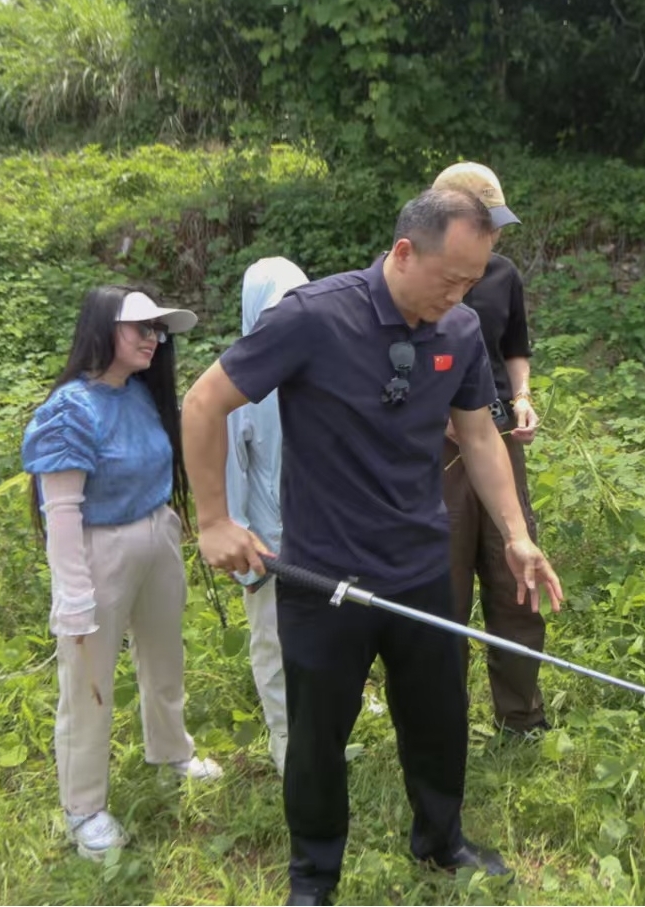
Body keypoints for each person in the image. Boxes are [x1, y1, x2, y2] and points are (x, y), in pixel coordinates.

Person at [180, 188, 563, 907]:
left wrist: (516, 535)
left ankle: (442, 842)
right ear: (404, 252)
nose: (460, 295)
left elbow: (479, 435)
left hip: (420, 565)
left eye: (472, 281)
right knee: (317, 737)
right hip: (323, 575)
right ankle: (314, 877)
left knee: (438, 720)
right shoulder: (313, 317)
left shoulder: (459, 330)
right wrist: (213, 519)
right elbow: (204, 401)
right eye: (450, 278)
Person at [21, 285, 223, 862]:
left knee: (165, 657)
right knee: (89, 683)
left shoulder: (141, 394)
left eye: (157, 329)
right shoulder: (71, 410)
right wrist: (73, 594)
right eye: (140, 328)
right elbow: (61, 509)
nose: (152, 339)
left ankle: (171, 750)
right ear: (103, 328)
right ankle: (83, 807)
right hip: (100, 549)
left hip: (157, 534)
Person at [431, 162, 547, 735]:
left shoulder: (502, 274)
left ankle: (521, 716)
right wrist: (438, 415)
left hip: (497, 435)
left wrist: (522, 398)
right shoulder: (415, 274)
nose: (495, 234)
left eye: (497, 222)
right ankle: (441, 720)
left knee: (514, 574)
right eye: (484, 221)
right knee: (444, 582)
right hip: (437, 451)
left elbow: (514, 348)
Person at [225, 257, 310, 776]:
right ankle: (287, 746)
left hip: (323, 535)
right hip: (269, 544)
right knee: (274, 644)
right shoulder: (238, 383)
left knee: (323, 641)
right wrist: (242, 547)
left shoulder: (322, 368)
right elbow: (230, 474)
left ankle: (320, 737)